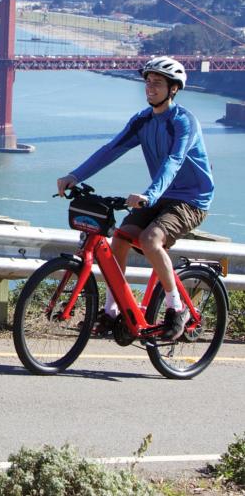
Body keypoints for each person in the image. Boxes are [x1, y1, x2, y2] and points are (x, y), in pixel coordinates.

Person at [56, 56, 214, 342]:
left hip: (191, 199)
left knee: (152, 239)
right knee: (120, 237)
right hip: (160, 195)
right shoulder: (142, 121)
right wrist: (75, 175)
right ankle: (112, 311)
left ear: (173, 89)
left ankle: (176, 309)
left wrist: (150, 195)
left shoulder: (183, 121)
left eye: (158, 83)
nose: (150, 88)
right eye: (148, 82)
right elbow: (110, 149)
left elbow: (174, 161)